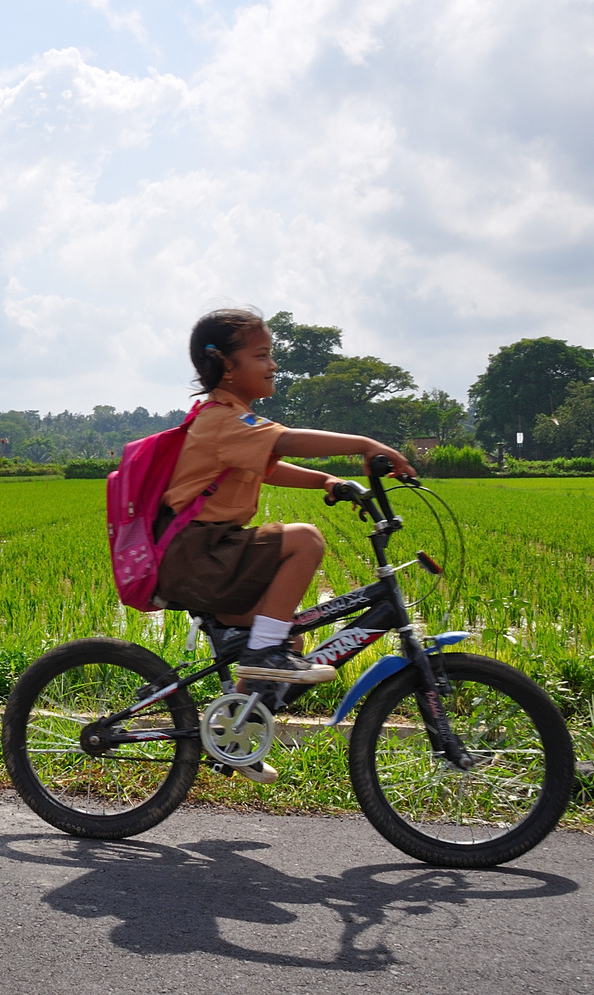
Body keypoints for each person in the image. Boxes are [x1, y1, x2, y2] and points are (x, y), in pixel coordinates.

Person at [154, 308, 415, 780]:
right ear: (227, 366)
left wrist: (327, 483)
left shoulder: (233, 419)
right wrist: (363, 444)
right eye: (262, 355)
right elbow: (285, 443)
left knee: (288, 634)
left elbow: (268, 465)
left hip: (213, 552)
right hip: (200, 554)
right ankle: (262, 656)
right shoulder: (221, 420)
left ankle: (235, 736)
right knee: (305, 540)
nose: (273, 365)